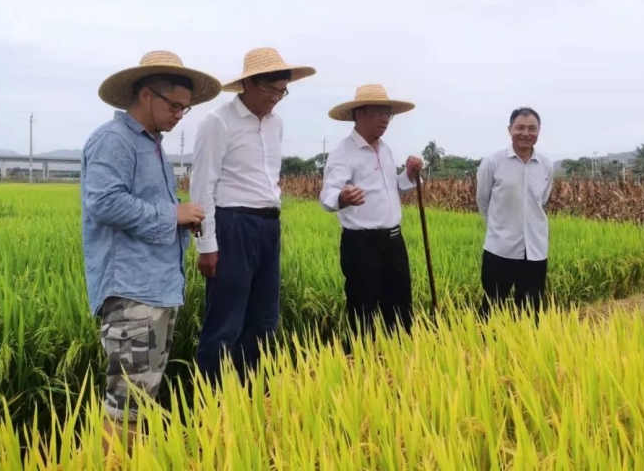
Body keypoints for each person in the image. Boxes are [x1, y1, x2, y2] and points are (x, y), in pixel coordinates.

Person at [80, 50, 221, 453]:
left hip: (156, 286)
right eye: (174, 105)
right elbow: (104, 202)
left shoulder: (153, 146)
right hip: (131, 291)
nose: (179, 115)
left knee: (140, 397)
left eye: (185, 108)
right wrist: (172, 213)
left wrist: (179, 219)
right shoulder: (115, 140)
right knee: (126, 400)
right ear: (146, 95)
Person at [190, 47, 316, 385]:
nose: (275, 98)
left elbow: (269, 178)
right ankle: (212, 401)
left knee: (264, 320)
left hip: (268, 225)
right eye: (270, 90)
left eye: (282, 92)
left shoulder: (276, 125)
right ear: (247, 83)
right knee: (225, 321)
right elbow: (202, 186)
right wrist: (206, 245)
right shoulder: (218, 122)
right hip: (233, 224)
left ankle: (250, 398)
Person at [319, 84, 423, 341]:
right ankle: (362, 362)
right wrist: (342, 198)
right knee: (362, 311)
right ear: (359, 113)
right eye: (379, 112)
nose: (385, 119)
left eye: (388, 113)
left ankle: (400, 359)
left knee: (400, 309)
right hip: (362, 245)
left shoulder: (385, 149)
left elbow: (393, 187)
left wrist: (409, 174)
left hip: (394, 241)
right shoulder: (343, 153)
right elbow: (327, 195)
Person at [475, 107, 554, 326]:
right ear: (509, 129)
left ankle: (525, 346)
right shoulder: (492, 163)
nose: (526, 133)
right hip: (500, 249)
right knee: (492, 306)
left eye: (532, 128)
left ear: (539, 131)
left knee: (531, 309)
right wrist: (499, 227)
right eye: (520, 128)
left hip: (535, 250)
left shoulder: (546, 165)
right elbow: (483, 200)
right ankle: (483, 345)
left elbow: (541, 200)